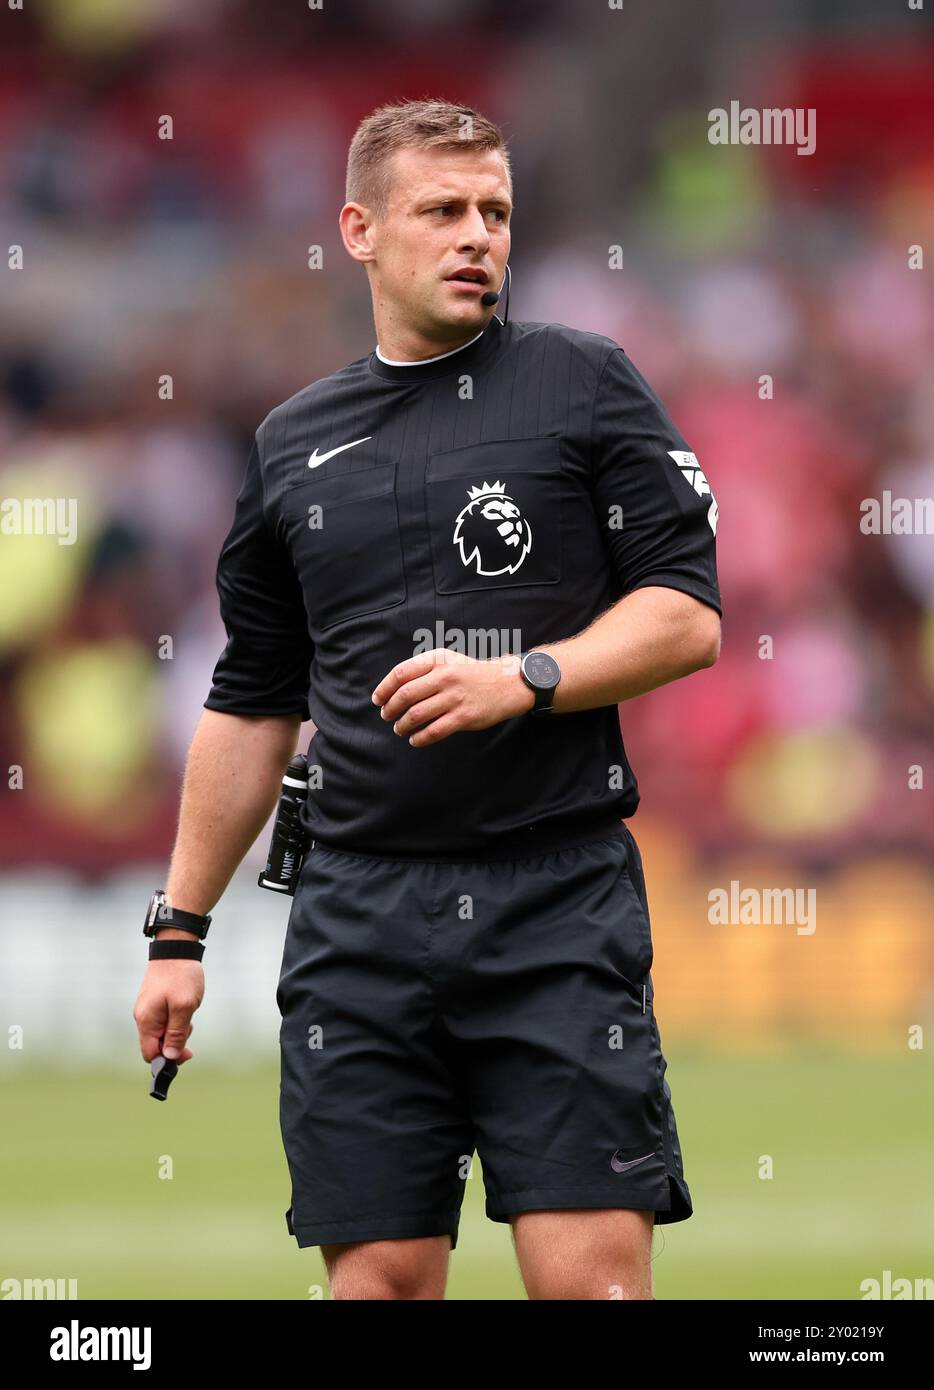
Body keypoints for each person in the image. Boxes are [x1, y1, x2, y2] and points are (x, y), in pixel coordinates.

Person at [133, 97, 722, 1301]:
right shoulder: (294, 444)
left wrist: (524, 677)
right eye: (443, 211)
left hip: (554, 901)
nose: (477, 237)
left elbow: (687, 616)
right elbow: (252, 700)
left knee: (590, 1286)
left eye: (495, 213)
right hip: (358, 915)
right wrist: (180, 931)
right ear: (358, 229)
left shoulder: (582, 383)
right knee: (379, 1283)